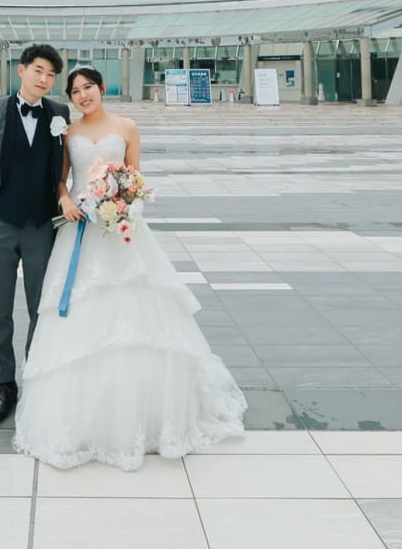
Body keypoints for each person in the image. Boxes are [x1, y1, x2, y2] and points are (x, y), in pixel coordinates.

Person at [13, 66, 247, 470]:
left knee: (140, 314)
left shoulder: (128, 126)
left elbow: (136, 177)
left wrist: (125, 206)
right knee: (82, 314)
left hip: (123, 231)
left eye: (88, 88)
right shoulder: (68, 133)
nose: (83, 95)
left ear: (102, 89)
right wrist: (67, 201)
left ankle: (148, 416)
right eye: (75, 91)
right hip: (82, 232)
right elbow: (62, 181)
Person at [0, 44, 70, 426]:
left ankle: (36, 376)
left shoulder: (60, 113)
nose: (44, 79)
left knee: (42, 308)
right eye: (38, 70)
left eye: (51, 75)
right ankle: (5, 384)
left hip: (41, 226)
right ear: (21, 70)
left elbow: (62, 169)